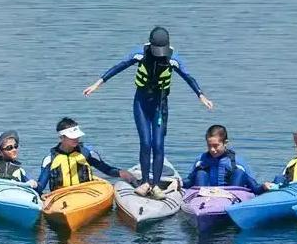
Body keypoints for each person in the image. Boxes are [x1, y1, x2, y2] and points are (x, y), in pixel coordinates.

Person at [83, 26, 215, 198]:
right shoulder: (140, 53)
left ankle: (156, 185)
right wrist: (97, 84)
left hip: (160, 105)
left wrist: (201, 95)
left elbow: (188, 77)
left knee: (158, 144)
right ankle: (145, 182)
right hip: (141, 103)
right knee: (146, 142)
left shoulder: (173, 58)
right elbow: (119, 67)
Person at [35, 117, 134, 195]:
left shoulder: (87, 153)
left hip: (85, 193)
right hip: (61, 196)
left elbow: (106, 169)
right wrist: (32, 185)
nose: (76, 139)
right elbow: (40, 186)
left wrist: (121, 172)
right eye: (72, 137)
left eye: (77, 136)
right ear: (61, 137)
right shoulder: (50, 159)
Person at [184, 124, 263, 193]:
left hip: (232, 196)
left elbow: (254, 186)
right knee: (200, 173)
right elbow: (189, 182)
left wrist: (264, 187)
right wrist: (178, 183)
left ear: (225, 143)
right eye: (209, 145)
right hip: (204, 197)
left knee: (239, 173)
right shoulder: (201, 160)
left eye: (216, 146)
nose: (212, 149)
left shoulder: (236, 162)